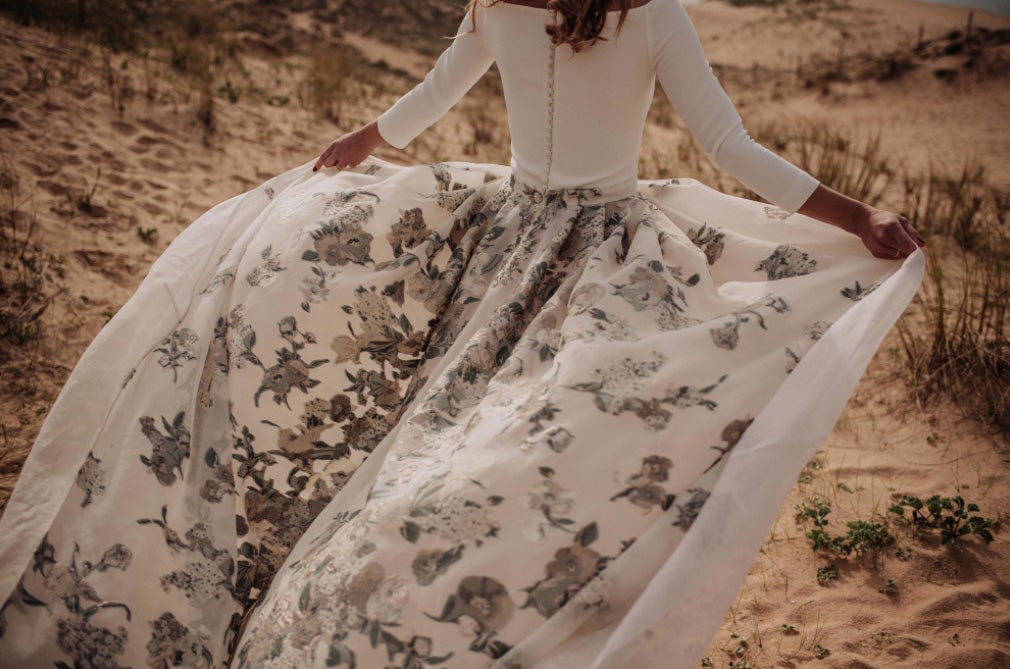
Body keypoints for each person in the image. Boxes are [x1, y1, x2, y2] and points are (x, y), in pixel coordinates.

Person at [0, 0, 924, 667]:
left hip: (496, 245)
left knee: (441, 439)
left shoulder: (503, 2)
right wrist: (858, 218)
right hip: (595, 253)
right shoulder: (649, 12)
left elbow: (432, 99)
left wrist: (367, 140)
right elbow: (727, 146)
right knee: (490, 445)